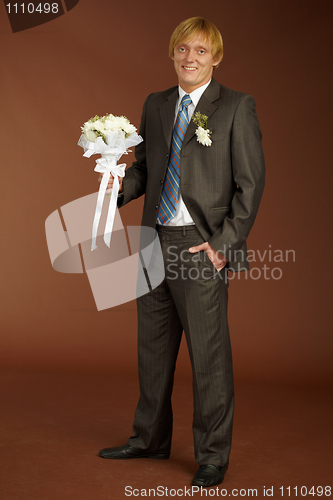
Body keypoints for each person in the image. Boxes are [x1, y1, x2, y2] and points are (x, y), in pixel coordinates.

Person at [98, 17, 265, 487]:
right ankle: (149, 439)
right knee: (151, 350)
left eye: (200, 51)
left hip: (200, 247)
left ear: (215, 57)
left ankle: (213, 455)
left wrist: (223, 245)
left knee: (208, 358)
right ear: (172, 54)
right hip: (154, 242)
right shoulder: (156, 104)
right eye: (182, 50)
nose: (189, 58)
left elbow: (250, 185)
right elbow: (147, 167)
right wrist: (114, 187)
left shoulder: (235, 107)